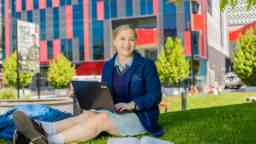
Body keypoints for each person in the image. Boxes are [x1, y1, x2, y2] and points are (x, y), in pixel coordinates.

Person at [13, 24, 164, 144]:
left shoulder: (146, 65)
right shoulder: (108, 66)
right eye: (122, 39)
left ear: (135, 42)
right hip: (115, 112)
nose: (127, 43)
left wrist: (133, 104)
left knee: (101, 119)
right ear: (115, 42)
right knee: (89, 114)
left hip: (140, 116)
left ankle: (50, 141)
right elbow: (106, 93)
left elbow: (155, 95)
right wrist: (87, 95)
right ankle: (43, 127)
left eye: (131, 39)